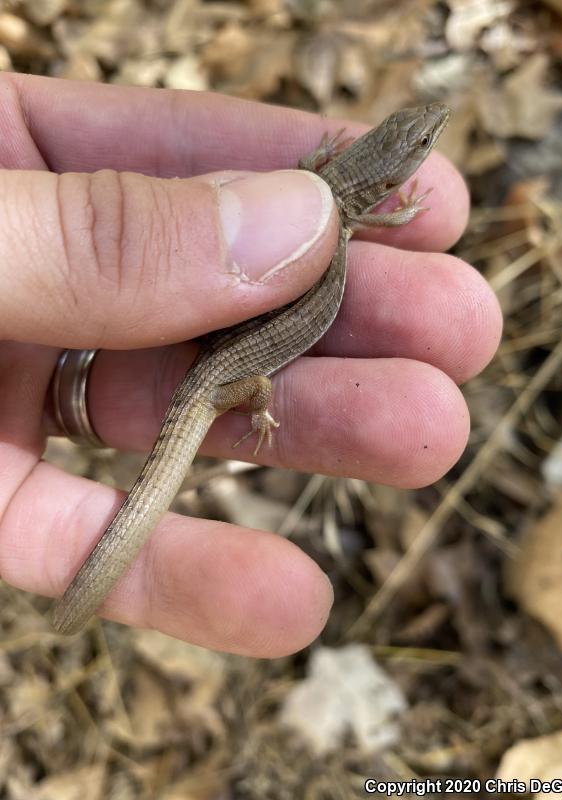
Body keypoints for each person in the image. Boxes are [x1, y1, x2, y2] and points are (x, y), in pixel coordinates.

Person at [0, 74, 501, 656]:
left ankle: (71, 611)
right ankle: (74, 607)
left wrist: (320, 166)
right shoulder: (331, 216)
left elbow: (347, 197)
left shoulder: (315, 186)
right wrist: (260, 412)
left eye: (418, 142)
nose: (427, 138)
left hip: (215, 368)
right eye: (415, 143)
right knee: (264, 388)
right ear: (384, 178)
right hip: (230, 379)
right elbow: (377, 220)